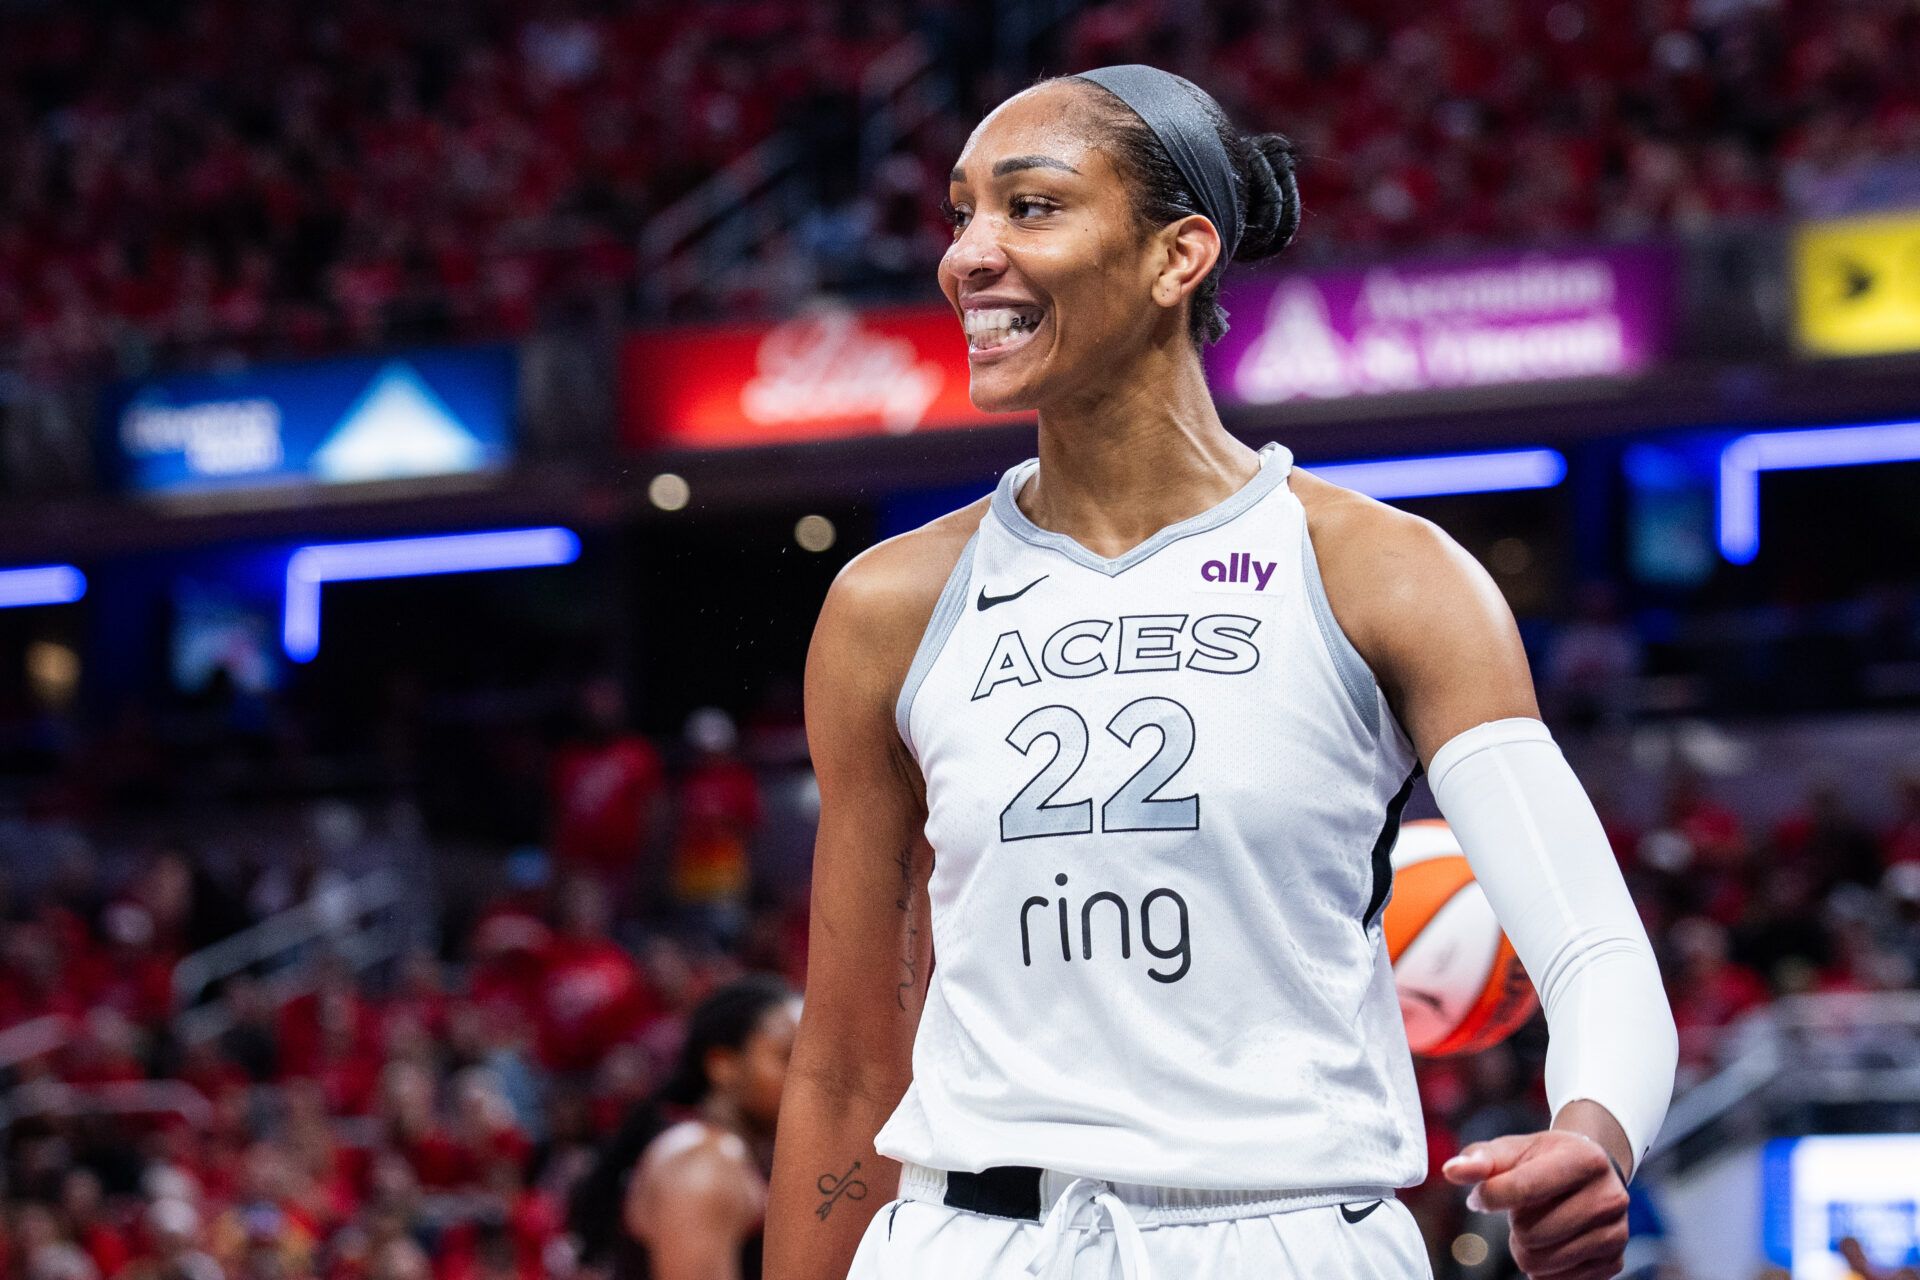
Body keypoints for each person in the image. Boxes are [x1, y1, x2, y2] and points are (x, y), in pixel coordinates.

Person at [764, 64, 1677, 1280]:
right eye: (959, 212)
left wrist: (1593, 1131)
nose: (966, 256)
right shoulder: (888, 605)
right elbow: (844, 1064)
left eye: (1028, 207)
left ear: (1178, 255)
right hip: (961, 1238)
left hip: (1292, 1232)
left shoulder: (1387, 573)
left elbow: (1595, 951)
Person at [624, 975, 797, 1280]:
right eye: (787, 1057)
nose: (804, 1077)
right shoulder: (704, 1166)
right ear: (723, 1065)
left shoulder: (739, 1156)